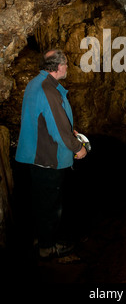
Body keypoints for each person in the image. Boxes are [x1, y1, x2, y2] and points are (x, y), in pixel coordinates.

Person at [15, 48, 88, 259]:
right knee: (51, 204)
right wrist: (78, 148)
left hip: (34, 155)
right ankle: (48, 248)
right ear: (58, 67)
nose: (68, 67)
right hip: (47, 157)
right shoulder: (48, 90)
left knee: (40, 201)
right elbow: (57, 129)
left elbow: (48, 120)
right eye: (66, 64)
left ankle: (40, 237)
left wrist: (68, 129)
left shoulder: (35, 83)